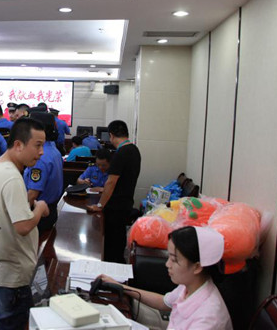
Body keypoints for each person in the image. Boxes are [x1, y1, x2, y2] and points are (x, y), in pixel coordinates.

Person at [0, 118, 50, 329]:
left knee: (6, 317)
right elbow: (23, 226)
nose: (41, 152)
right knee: (11, 323)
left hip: (3, 261)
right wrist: (40, 209)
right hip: (15, 267)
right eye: (37, 145)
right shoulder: (12, 177)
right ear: (18, 144)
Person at [96, 226, 232, 330]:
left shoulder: (208, 320)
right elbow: (164, 302)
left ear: (197, 267)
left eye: (174, 259)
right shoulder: (192, 285)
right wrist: (121, 286)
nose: (167, 264)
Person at [87, 120, 141, 263]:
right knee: (119, 240)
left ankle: (113, 268)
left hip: (115, 207)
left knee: (112, 245)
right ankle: (118, 265)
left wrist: (99, 205)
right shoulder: (135, 150)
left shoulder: (121, 153)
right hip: (126, 203)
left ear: (111, 135)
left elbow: (111, 182)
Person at [23, 110, 63, 233]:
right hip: (50, 209)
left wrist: (20, 216)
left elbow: (33, 194)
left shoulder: (40, 156)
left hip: (39, 212)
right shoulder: (53, 149)